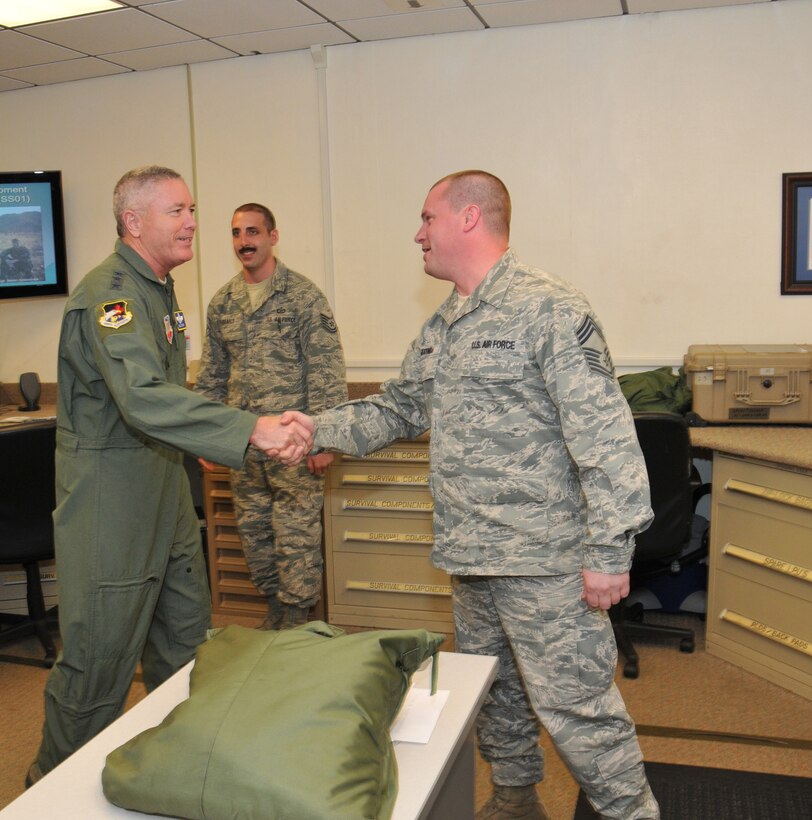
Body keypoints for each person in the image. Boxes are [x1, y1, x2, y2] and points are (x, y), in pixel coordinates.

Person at [283, 170, 660, 819]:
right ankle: (515, 800)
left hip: (542, 559)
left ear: (466, 218)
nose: (417, 233)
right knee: (493, 694)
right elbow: (399, 409)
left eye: (427, 218)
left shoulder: (548, 306)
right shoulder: (446, 324)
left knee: (576, 707)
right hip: (470, 554)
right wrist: (313, 428)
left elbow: (605, 432)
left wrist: (609, 548)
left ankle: (632, 814)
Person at [29, 166, 311, 784]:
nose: (191, 222)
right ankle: (48, 793)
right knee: (98, 668)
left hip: (164, 497)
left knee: (188, 650)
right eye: (175, 211)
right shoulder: (111, 296)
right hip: (113, 506)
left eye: (191, 209)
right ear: (133, 222)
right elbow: (144, 397)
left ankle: (177, 773)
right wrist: (246, 429)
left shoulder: (159, 290)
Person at [193, 203, 348, 629]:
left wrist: (325, 439)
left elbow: (326, 369)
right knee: (257, 542)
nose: (244, 241)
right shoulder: (224, 302)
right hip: (244, 446)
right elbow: (212, 374)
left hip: (294, 448)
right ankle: (277, 618)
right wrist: (208, 436)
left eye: (253, 232)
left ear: (272, 237)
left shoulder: (302, 296)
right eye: (237, 233)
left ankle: (295, 628)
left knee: (296, 544)